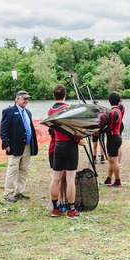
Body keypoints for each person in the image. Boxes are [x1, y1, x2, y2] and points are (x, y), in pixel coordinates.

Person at [48, 84, 81, 217]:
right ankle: (71, 209)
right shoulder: (68, 108)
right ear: (65, 94)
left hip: (58, 145)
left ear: (53, 95)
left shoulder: (50, 110)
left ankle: (55, 208)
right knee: (70, 178)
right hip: (70, 145)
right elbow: (74, 129)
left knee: (55, 178)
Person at [0, 90, 38, 202]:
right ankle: (8, 193)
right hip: (14, 146)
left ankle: (19, 191)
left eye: (27, 99)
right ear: (17, 99)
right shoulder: (9, 111)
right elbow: (3, 130)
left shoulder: (28, 112)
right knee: (12, 169)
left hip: (27, 145)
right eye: (24, 98)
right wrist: (6, 143)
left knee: (24, 169)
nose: (26, 101)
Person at [102, 92, 123, 187]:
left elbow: (110, 127)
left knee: (114, 161)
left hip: (113, 138)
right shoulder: (118, 110)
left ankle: (118, 181)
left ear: (109, 101)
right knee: (111, 160)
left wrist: (100, 131)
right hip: (116, 137)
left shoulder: (113, 112)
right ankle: (109, 179)